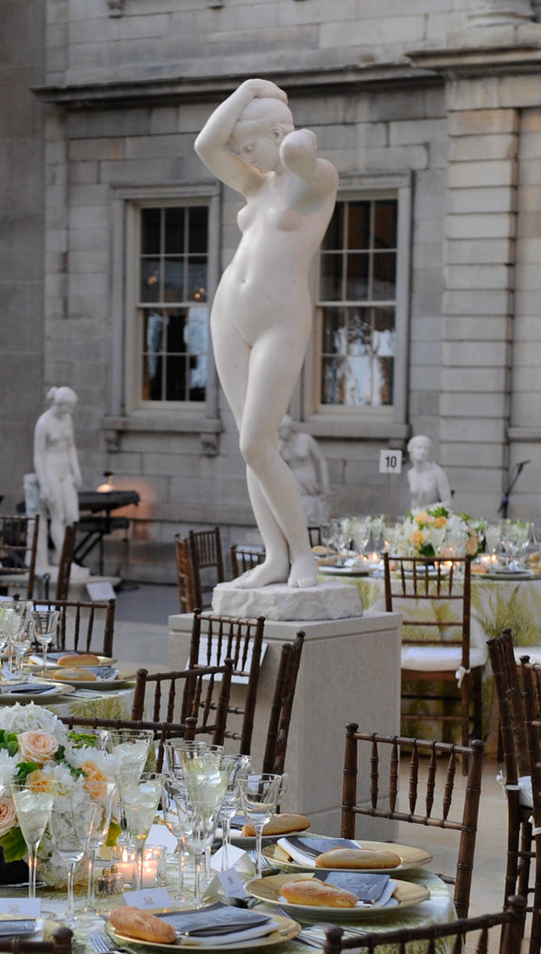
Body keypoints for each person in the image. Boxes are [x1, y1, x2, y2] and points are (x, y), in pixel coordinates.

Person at [195, 79, 338, 589]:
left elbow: (300, 150)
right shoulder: (256, 186)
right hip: (229, 313)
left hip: (281, 319)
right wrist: (248, 89)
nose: (244, 157)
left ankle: (303, 555)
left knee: (259, 443)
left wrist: (286, 131)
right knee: (248, 445)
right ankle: (274, 556)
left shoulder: (314, 179)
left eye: (250, 146)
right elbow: (206, 145)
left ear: (275, 135)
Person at [33, 386, 83, 565]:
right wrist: (44, 484)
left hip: (66, 470)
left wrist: (76, 471)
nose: (70, 411)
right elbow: (38, 454)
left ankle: (63, 555)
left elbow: (71, 447)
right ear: (59, 404)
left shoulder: (67, 418)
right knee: (58, 515)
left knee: (72, 516)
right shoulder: (43, 423)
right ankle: (64, 559)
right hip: (50, 469)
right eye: (68, 407)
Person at [278, 416, 330, 528]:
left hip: (307, 476)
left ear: (288, 428)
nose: (279, 433)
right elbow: (273, 467)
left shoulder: (305, 439)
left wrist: (325, 485)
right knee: (296, 506)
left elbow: (321, 460)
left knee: (310, 504)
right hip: (293, 477)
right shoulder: (280, 445)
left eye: (280, 430)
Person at [406, 434, 454, 510]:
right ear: (411, 450)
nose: (422, 451)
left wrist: (428, 512)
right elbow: (414, 501)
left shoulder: (437, 472)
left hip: (432, 517)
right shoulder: (411, 473)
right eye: (419, 447)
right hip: (416, 516)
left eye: (426, 449)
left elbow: (447, 502)